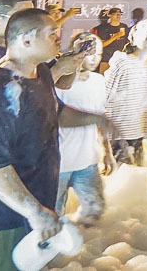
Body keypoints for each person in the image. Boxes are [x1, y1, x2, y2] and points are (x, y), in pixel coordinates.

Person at [0, 8, 102, 269]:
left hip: (34, 203)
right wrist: (34, 212)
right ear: (25, 41)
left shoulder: (41, 74)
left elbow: (53, 113)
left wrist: (97, 119)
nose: (59, 39)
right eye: (52, 34)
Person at [55, 33, 112, 227]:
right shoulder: (59, 83)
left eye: (98, 53)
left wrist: (107, 152)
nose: (94, 57)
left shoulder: (99, 82)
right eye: (88, 52)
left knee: (95, 210)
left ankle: (83, 250)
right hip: (58, 163)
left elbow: (101, 119)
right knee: (53, 215)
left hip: (88, 161)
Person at [105, 21, 147, 165]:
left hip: (138, 130)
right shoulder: (122, 62)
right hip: (119, 131)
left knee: (136, 174)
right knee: (119, 178)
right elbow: (105, 95)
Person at [93, 7, 129, 72]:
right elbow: (102, 44)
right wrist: (115, 37)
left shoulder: (124, 27)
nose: (118, 15)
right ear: (109, 15)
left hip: (120, 60)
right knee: (104, 80)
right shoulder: (104, 28)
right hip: (107, 59)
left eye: (119, 14)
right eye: (115, 14)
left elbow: (127, 42)